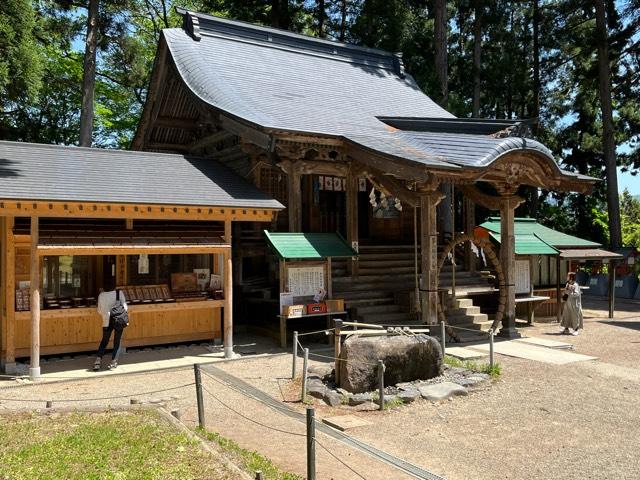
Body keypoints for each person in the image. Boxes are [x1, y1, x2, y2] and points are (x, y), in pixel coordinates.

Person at [94, 289, 128, 370]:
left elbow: (99, 310)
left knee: (104, 341)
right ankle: (113, 362)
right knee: (117, 341)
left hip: (106, 321)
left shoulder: (101, 295)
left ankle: (98, 361)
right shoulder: (119, 292)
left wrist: (106, 313)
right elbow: (125, 307)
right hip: (118, 320)